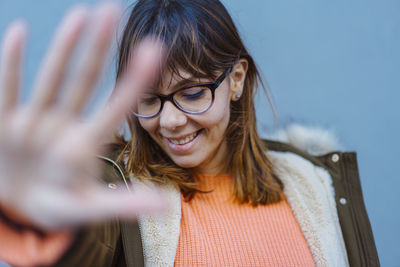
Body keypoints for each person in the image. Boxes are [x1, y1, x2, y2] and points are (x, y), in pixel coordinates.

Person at [0, 0, 379, 266]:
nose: (169, 121)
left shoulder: (313, 185)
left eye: (192, 93)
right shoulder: (118, 193)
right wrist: (33, 219)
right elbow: (82, 247)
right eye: (149, 99)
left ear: (236, 79)